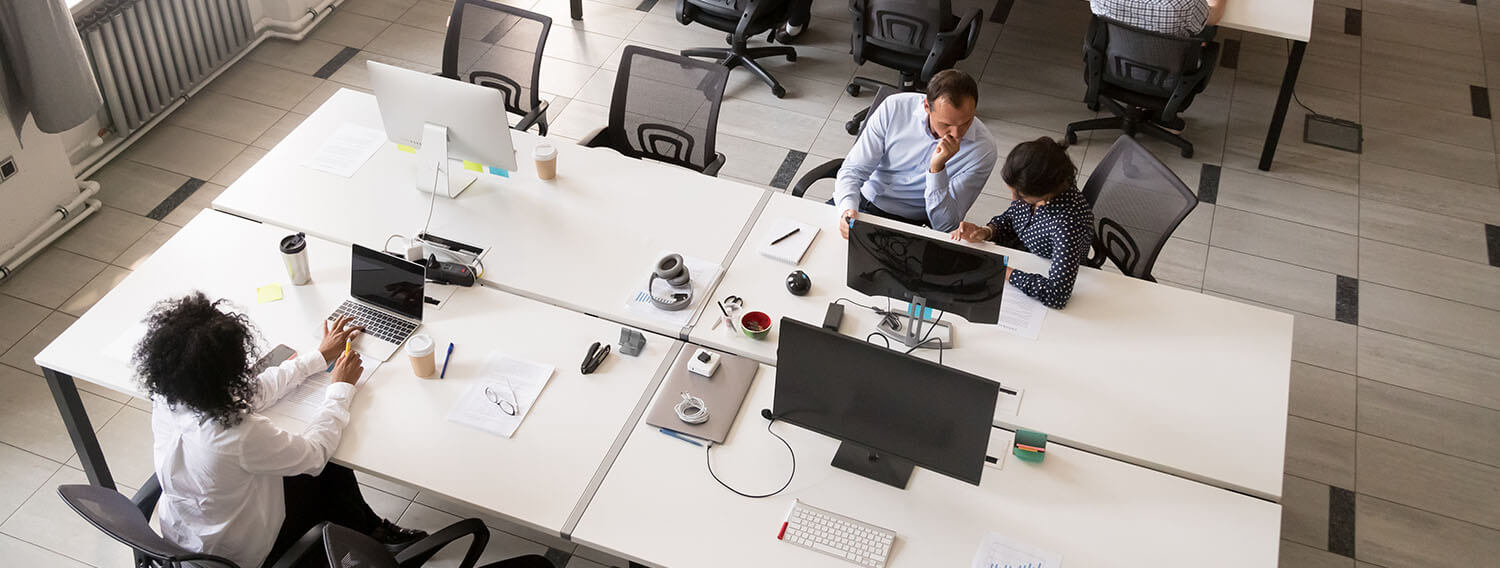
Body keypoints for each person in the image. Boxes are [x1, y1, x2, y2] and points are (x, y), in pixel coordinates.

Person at [137, 293, 425, 568]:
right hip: (240, 554)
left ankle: (370, 529)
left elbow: (251, 392)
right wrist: (341, 388)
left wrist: (318, 357)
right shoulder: (237, 434)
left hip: (187, 534)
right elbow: (315, 453)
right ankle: (368, 548)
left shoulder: (170, 396)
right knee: (329, 465)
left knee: (321, 464)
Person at [833, 69, 998, 237]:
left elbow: (945, 225)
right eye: (946, 124)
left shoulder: (983, 150)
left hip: (914, 225)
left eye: (966, 122)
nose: (956, 134)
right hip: (862, 203)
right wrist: (847, 209)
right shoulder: (894, 108)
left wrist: (937, 170)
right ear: (927, 106)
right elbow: (853, 170)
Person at [950, 137, 1095, 309]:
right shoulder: (1035, 190)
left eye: (1020, 196)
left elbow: (1057, 294)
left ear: (1045, 193)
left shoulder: (1068, 225)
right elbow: (1013, 217)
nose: (1014, 200)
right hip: (1024, 254)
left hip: (1043, 265)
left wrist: (1003, 271)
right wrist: (986, 231)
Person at [1088, 0, 1227, 38]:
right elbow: (1212, 17)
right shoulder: (1186, 4)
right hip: (1166, 76)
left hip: (1109, 62)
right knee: (1206, 29)